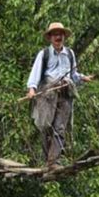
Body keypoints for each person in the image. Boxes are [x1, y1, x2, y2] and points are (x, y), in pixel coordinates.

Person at [27, 22, 93, 169]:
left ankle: (53, 161)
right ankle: (47, 160)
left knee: (60, 128)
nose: (58, 37)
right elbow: (35, 73)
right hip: (47, 95)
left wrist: (83, 78)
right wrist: (32, 89)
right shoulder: (44, 54)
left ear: (64, 37)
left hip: (65, 94)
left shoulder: (69, 54)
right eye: (55, 34)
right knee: (45, 127)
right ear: (50, 37)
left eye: (60, 34)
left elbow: (73, 74)